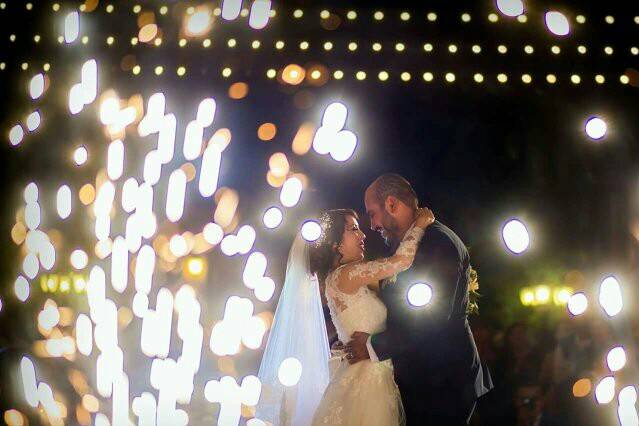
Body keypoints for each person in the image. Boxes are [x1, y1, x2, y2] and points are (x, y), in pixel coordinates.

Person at [255, 206, 434, 425]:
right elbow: (401, 261)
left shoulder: (345, 277)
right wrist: (420, 224)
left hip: (367, 373)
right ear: (335, 244)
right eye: (354, 229)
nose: (363, 235)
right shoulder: (347, 275)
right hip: (368, 381)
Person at [344, 173, 493, 424]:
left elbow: (430, 320)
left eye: (372, 213)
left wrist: (372, 346)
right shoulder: (404, 248)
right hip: (422, 380)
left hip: (442, 384)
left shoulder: (438, 242)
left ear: (391, 204)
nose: (372, 225)